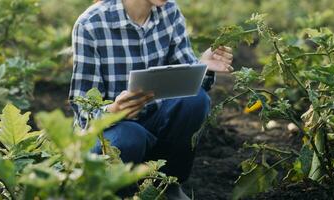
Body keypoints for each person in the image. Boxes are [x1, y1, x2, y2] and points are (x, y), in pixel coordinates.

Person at [69, 0, 233, 199]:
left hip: (155, 122)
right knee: (130, 136)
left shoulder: (169, 11)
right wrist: (113, 111)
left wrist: (202, 66)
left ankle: (166, 183)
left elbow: (186, 84)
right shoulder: (91, 23)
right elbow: (83, 111)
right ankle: (112, 192)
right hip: (111, 133)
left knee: (196, 101)